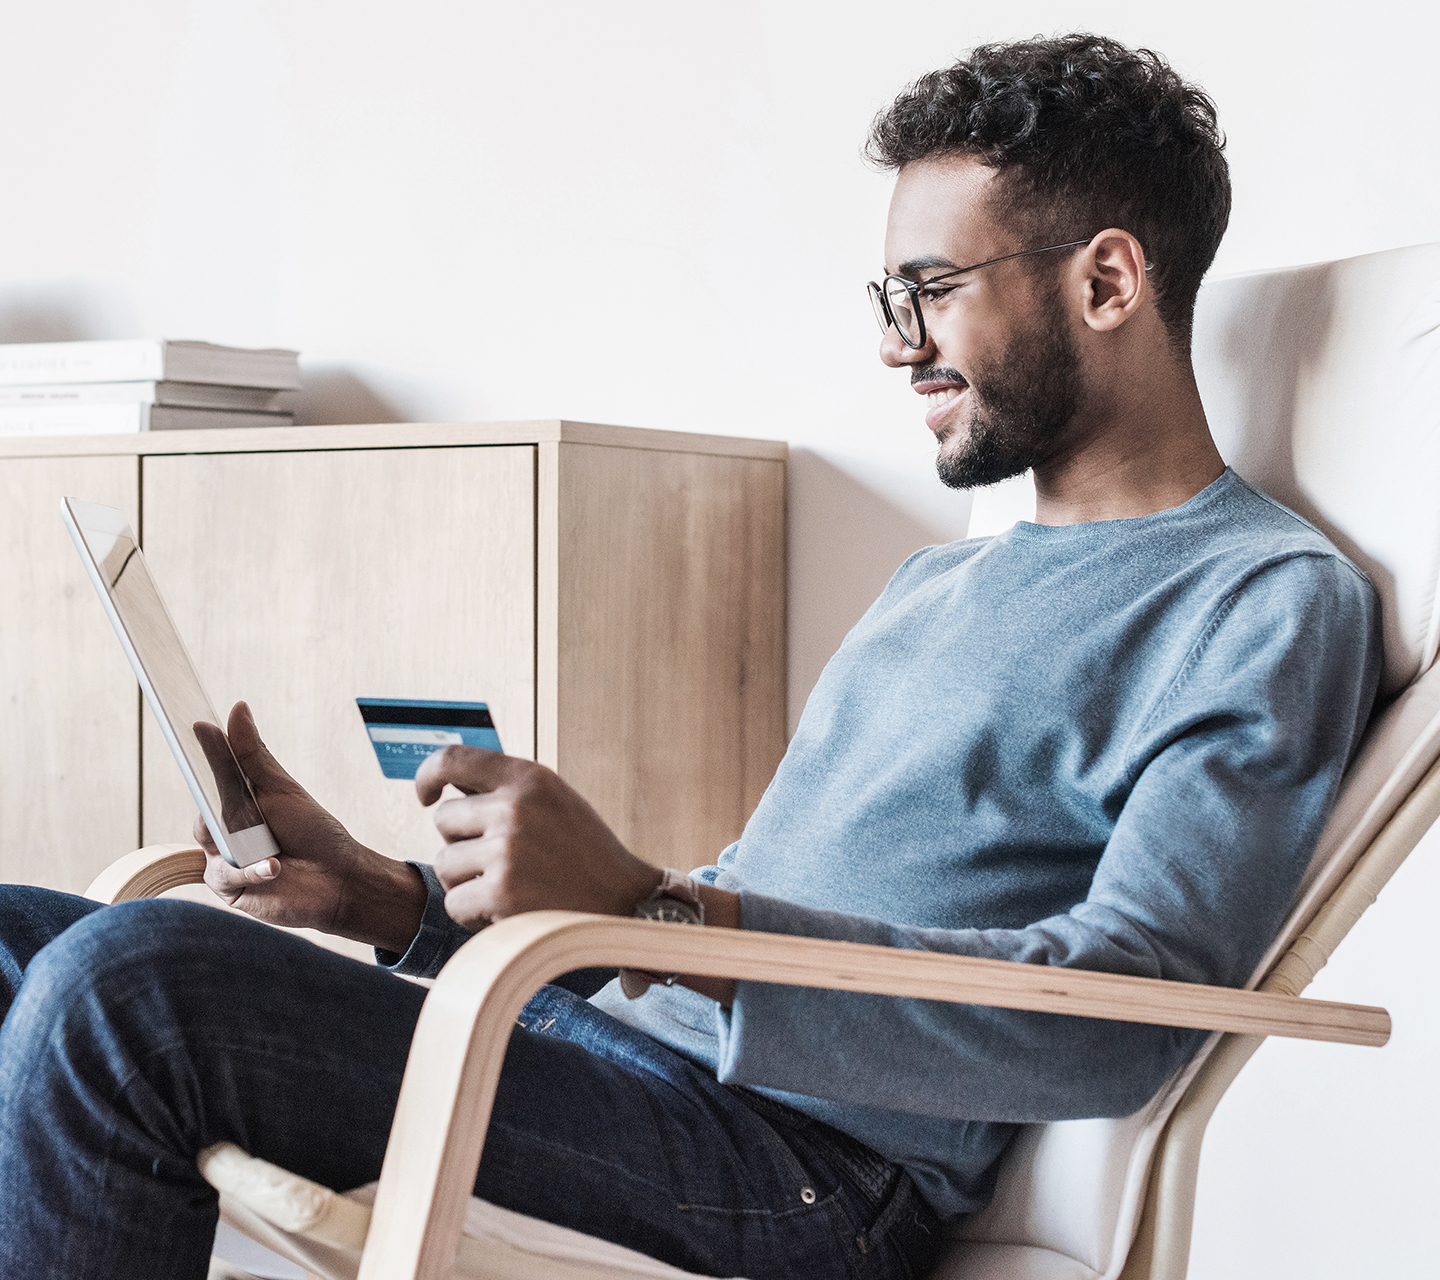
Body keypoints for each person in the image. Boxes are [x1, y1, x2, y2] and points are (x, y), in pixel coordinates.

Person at [0, 33, 1381, 1280]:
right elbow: (736, 910)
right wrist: (383, 899)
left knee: (127, 996)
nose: (898, 346)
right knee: (19, 936)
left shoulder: (1258, 600)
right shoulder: (940, 581)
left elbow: (1128, 1009)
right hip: (604, 1054)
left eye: (933, 288)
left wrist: (655, 912)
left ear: (1109, 279)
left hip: (801, 1177)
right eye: (887, 294)